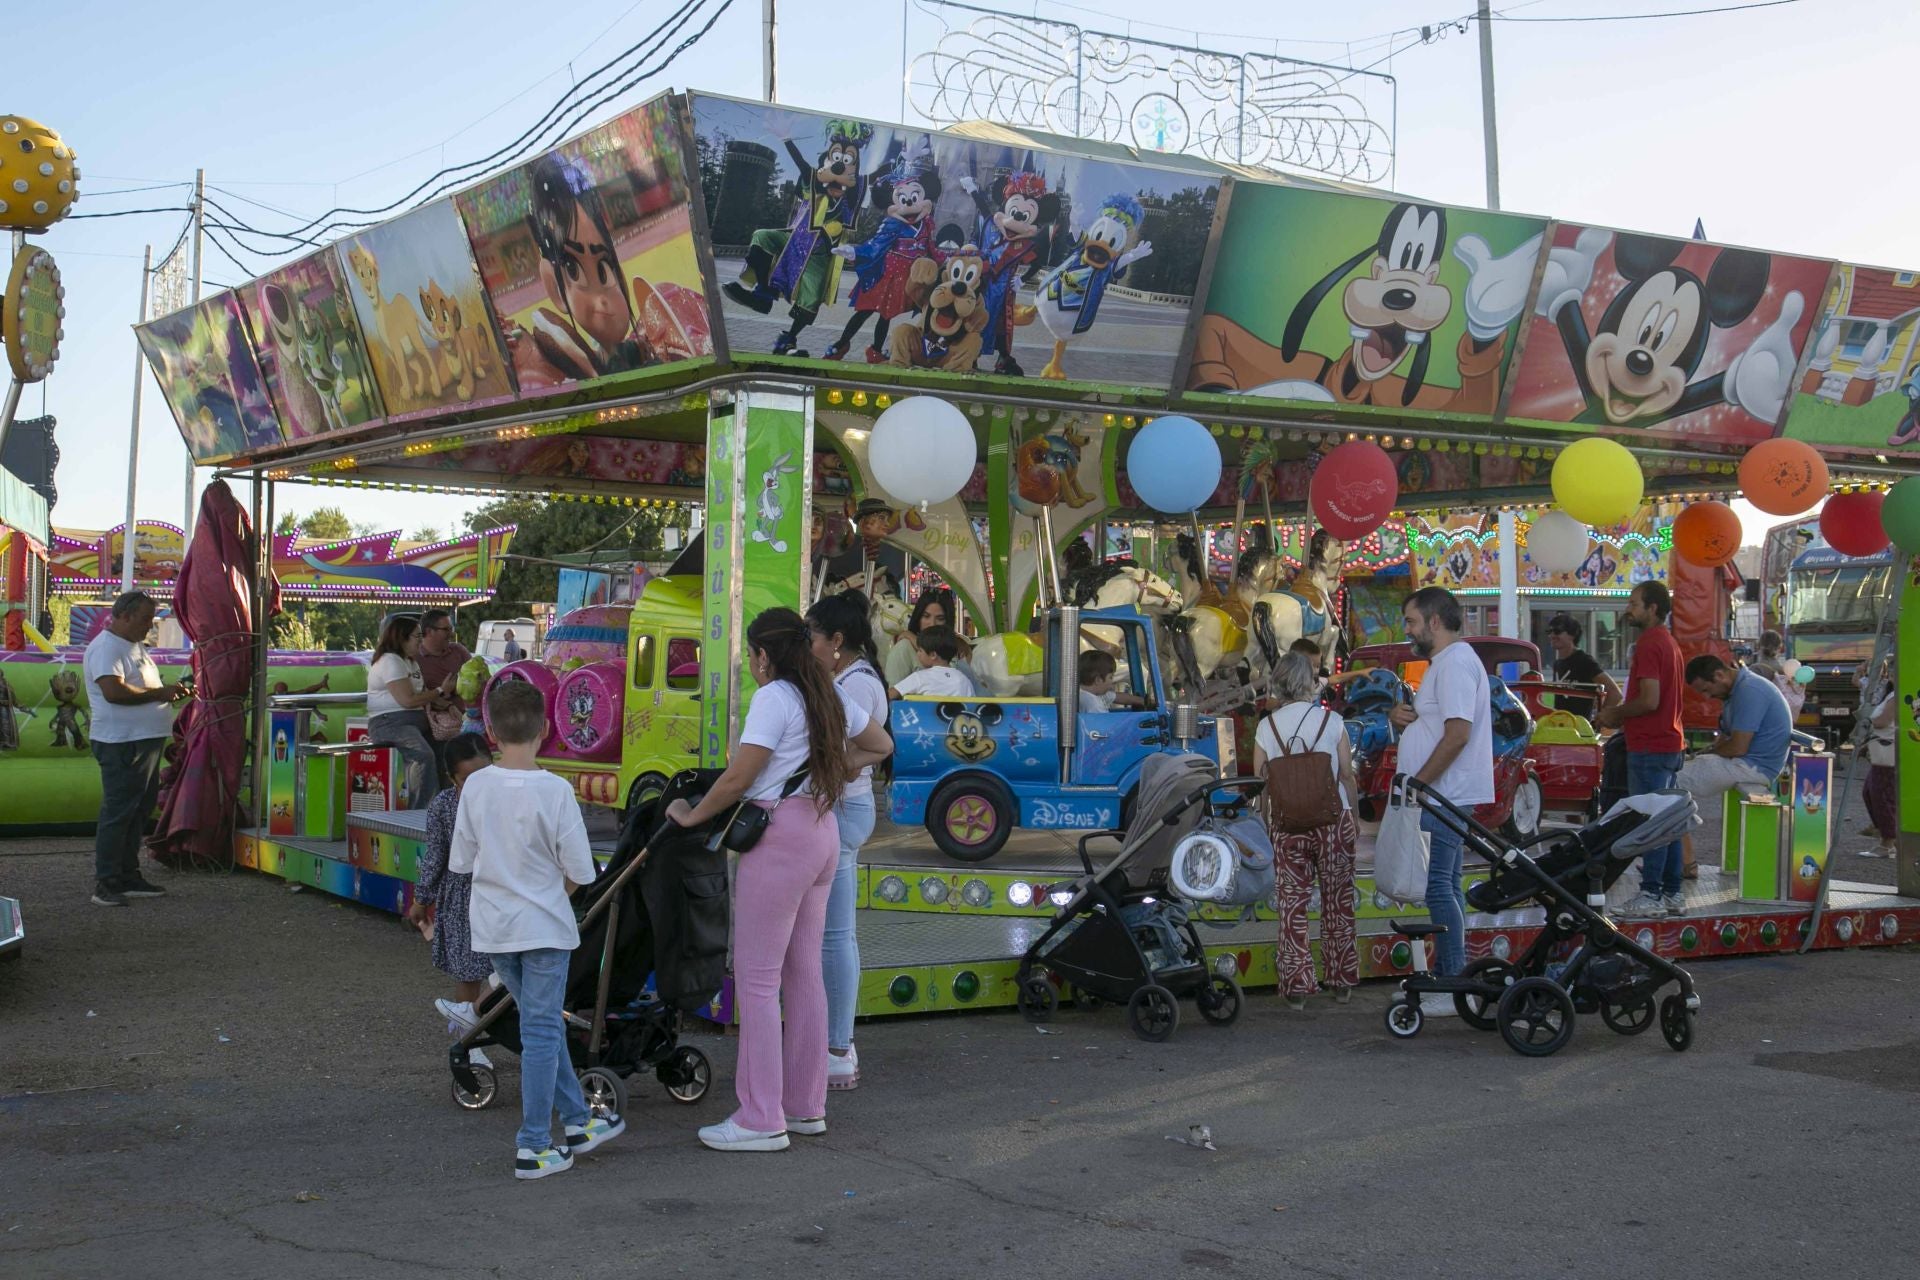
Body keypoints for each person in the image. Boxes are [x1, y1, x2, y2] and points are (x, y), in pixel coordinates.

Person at [665, 609, 893, 1152]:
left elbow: (741, 776)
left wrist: (692, 816)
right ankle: (805, 1105)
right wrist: (833, 772)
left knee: (759, 979)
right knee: (804, 972)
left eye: (752, 654)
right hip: (821, 829)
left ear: (763, 654)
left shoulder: (773, 699)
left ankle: (760, 1117)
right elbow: (881, 745)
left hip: (778, 835)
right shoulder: (829, 694)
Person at [449, 680, 617, 1179]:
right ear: (546, 729)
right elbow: (582, 872)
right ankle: (535, 1144)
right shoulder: (557, 791)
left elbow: (462, 861)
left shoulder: (476, 787)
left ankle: (578, 1120)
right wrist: (552, 896)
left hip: (495, 930)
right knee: (544, 1029)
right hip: (545, 928)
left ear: (492, 734)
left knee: (539, 1025)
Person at [1388, 586, 1492, 1009]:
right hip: (1442, 793)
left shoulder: (1453, 665)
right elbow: (1439, 726)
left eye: (1412, 621)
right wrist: (1402, 720)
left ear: (1433, 621)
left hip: (1444, 795)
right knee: (1445, 885)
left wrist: (1420, 784)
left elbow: (1458, 734)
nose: (1408, 630)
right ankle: (1455, 977)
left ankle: (1451, 984)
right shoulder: (1445, 664)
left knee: (1438, 888)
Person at [805, 591, 891, 1091]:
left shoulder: (855, 687)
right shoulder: (851, 679)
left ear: (837, 641)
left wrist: (834, 769)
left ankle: (838, 1045)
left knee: (835, 935)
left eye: (813, 636)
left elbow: (869, 749)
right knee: (831, 934)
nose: (809, 645)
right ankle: (836, 1041)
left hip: (844, 807)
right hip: (844, 806)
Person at [1252, 651, 1360, 1009]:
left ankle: (1297, 989)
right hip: (1333, 820)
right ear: (1310, 683)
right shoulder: (1332, 722)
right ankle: (1341, 981)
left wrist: (1264, 824)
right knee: (1338, 903)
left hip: (1286, 825)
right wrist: (1355, 818)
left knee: (1292, 906)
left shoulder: (1266, 727)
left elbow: (1261, 783)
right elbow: (1346, 774)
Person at [82, 591, 192, 907]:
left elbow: (134, 688)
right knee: (119, 812)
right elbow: (114, 692)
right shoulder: (106, 647)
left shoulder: (133, 646)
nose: (149, 625)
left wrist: (166, 694)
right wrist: (160, 694)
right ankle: (106, 881)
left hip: (141, 740)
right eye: (145, 618)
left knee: (138, 810)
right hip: (122, 741)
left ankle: (127, 875)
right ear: (125, 615)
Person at [1596, 582, 1688, 914]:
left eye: (1634, 603)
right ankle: (1671, 891)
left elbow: (1649, 700)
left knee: (1651, 822)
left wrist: (1613, 713)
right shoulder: (1669, 642)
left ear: (1653, 608)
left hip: (1650, 746)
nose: (1628, 609)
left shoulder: (1650, 643)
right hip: (1667, 744)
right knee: (1669, 820)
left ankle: (1650, 893)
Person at [411, 733, 497, 1067]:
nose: (478, 785)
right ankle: (469, 1045)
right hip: (464, 898)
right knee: (469, 971)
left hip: (501, 893)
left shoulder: (507, 798)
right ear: (452, 778)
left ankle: (477, 1023)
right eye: (468, 779)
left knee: (505, 970)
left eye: (485, 774)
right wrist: (422, 898)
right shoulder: (444, 806)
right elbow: (435, 856)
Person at [1677, 655, 1794, 853]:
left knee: (1668, 779)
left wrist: (1707, 753)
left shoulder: (1750, 691)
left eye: (1706, 690)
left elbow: (1737, 747)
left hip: (1751, 767)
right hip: (1747, 763)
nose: (1706, 697)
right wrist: (1704, 753)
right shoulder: (1737, 691)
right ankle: (1682, 857)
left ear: (1719, 675)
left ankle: (1682, 859)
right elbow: (1727, 737)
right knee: (1673, 777)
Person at [367, 616, 453, 810]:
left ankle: (444, 809)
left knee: (447, 753)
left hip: (415, 722)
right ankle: (421, 812)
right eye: (417, 636)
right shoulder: (390, 661)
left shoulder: (410, 662)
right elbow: (407, 700)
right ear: (402, 638)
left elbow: (421, 695)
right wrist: (440, 690)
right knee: (422, 755)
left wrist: (445, 702)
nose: (421, 641)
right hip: (390, 723)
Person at [416, 608, 474, 773]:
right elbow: (417, 694)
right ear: (429, 631)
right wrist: (444, 694)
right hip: (438, 729)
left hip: (467, 723)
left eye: (451, 628)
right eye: (446, 629)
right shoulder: (416, 659)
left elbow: (478, 677)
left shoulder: (458, 651)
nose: (451, 633)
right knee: (445, 772)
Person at [1544, 613, 1620, 721]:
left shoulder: (1584, 661)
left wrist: (1600, 719)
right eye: (1549, 631)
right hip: (1560, 727)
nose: (1551, 635)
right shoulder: (1558, 663)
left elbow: (1615, 693)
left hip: (1580, 731)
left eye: (1557, 631)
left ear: (1572, 635)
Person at [1861, 658, 1897, 857]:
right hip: (1880, 753)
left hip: (1886, 754)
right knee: (1871, 793)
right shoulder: (1891, 694)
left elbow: (1884, 721)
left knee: (1881, 796)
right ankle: (1888, 838)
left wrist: (1868, 718)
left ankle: (1887, 842)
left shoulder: (1895, 696)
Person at [883, 590, 956, 687]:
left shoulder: (952, 647)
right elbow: (892, 695)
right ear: (918, 618)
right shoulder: (904, 648)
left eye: (940, 618)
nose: (932, 624)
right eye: (926, 616)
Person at [889, 626, 975, 699]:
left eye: (920, 650)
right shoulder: (963, 679)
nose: (917, 654)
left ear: (933, 655)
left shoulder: (920, 677)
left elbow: (891, 694)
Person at [1078, 649, 1145, 713]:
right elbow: (1105, 724)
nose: (1112, 682)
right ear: (1098, 680)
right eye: (1110, 677)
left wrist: (1142, 701)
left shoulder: (1088, 693)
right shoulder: (1093, 705)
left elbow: (1116, 696)